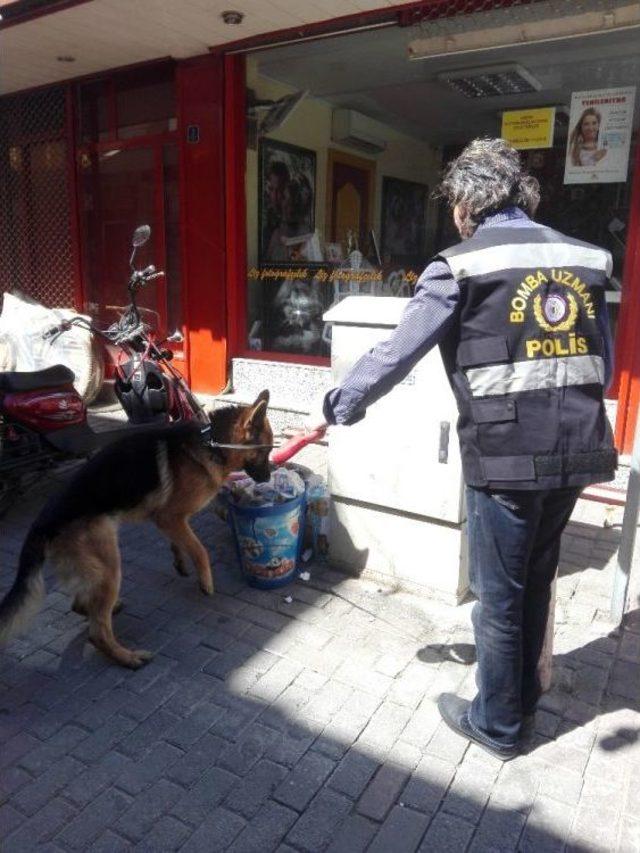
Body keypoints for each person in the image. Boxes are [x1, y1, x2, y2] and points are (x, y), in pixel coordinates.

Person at [307, 137, 617, 760]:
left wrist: (342, 402)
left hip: (504, 458)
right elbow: (601, 363)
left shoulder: (460, 264)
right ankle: (523, 698)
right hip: (578, 450)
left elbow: (399, 350)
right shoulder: (589, 259)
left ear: (466, 204)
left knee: (498, 598)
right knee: (535, 579)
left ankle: (499, 726)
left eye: (452, 204)